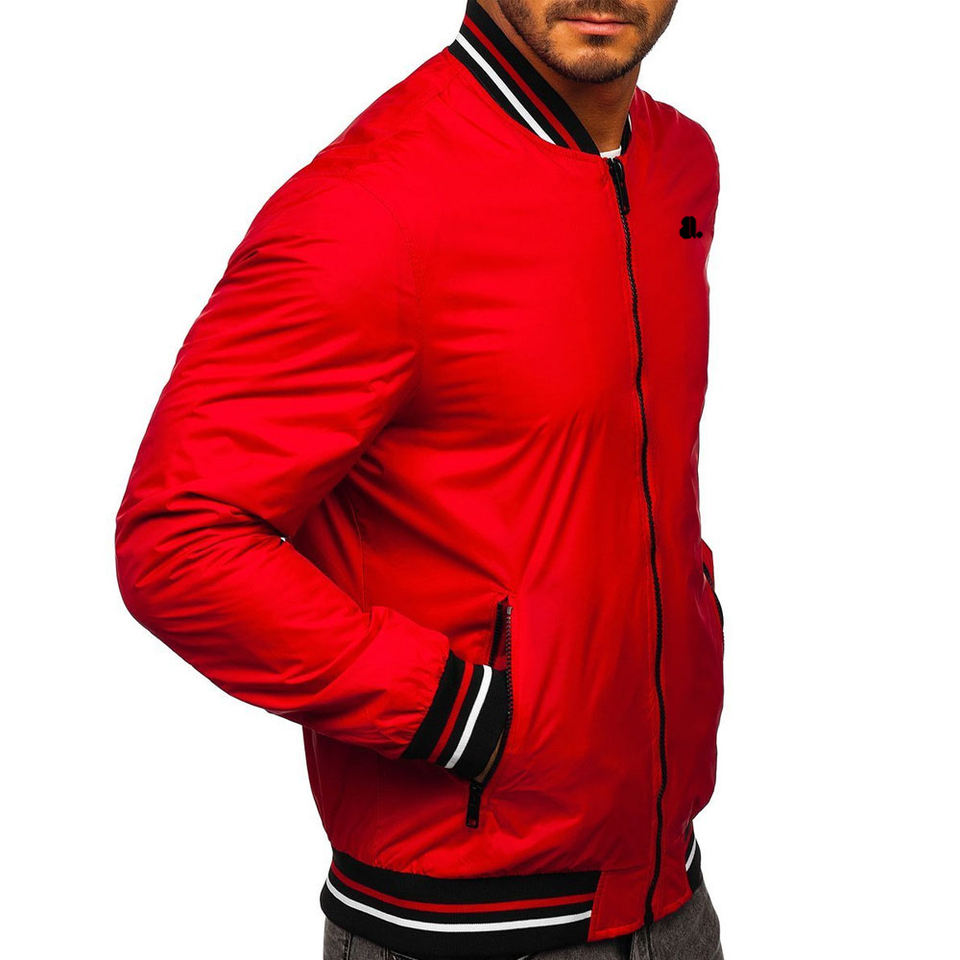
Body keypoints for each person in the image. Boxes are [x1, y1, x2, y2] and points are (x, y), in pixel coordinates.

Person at [115, 2, 726, 958]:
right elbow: (178, 539)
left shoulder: (677, 163)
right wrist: (458, 715)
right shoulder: (371, 208)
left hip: (669, 890)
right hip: (457, 926)